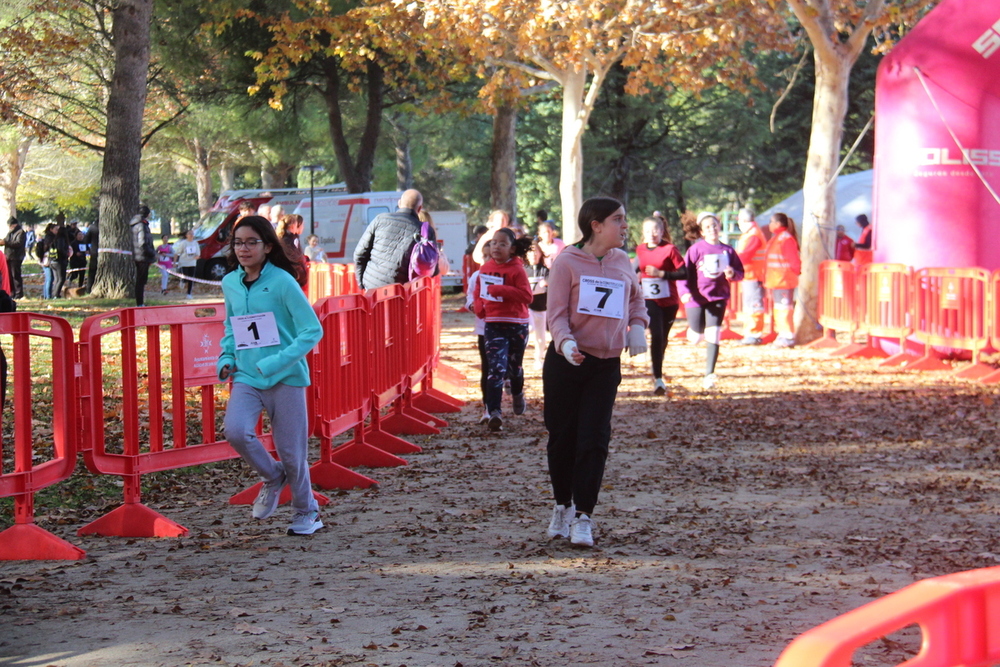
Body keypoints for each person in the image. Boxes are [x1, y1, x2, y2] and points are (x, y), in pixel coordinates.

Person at [544, 197, 648, 548]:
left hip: (605, 365)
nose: (625, 226)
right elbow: (555, 313)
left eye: (624, 219)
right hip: (568, 361)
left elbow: (636, 298)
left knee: (595, 439)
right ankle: (563, 505)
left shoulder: (622, 260)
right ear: (596, 225)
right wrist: (565, 343)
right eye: (618, 219)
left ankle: (584, 516)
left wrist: (637, 326)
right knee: (563, 438)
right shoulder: (567, 262)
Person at [218, 215, 324, 536]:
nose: (244, 249)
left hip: (286, 377)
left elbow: (311, 330)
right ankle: (271, 475)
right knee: (235, 431)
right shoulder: (230, 283)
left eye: (252, 242)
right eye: (238, 242)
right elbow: (231, 325)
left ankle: (307, 512)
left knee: (292, 454)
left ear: (267, 246)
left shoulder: (282, 282)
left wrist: (278, 360)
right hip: (247, 376)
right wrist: (226, 356)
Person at [472, 228, 533, 431]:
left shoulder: (517, 270)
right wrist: (480, 306)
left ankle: (517, 393)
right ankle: (494, 412)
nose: (496, 247)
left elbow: (527, 297)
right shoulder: (485, 268)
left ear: (512, 249)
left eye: (502, 244)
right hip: (494, 324)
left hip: (517, 324)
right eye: (493, 243)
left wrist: (502, 290)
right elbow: (478, 292)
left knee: (514, 369)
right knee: (495, 369)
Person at [678, 212, 744, 390]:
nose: (712, 229)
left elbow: (740, 273)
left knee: (714, 333)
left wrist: (732, 274)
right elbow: (684, 273)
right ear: (702, 231)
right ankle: (695, 332)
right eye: (708, 227)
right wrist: (684, 292)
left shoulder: (728, 250)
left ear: (719, 227)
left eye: (714, 226)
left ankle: (709, 374)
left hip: (718, 296)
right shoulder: (696, 250)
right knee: (697, 336)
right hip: (696, 298)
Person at [635, 215, 686, 395]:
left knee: (663, 338)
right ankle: (658, 378)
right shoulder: (640, 249)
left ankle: (658, 364)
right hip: (650, 300)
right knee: (656, 334)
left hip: (670, 301)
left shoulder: (670, 249)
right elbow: (635, 269)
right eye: (648, 231)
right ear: (643, 233)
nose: (652, 234)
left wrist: (662, 273)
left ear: (662, 231)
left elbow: (683, 273)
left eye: (655, 230)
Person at [353, 189, 436, 290]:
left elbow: (359, 254)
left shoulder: (380, 219)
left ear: (399, 203)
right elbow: (431, 267)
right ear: (419, 209)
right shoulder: (426, 231)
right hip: (401, 292)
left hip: (372, 288)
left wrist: (362, 284)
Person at [763, 212, 801, 348]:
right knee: (780, 309)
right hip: (777, 281)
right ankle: (783, 334)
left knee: (784, 309)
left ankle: (788, 336)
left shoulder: (785, 239)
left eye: (771, 222)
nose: (769, 225)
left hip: (784, 280)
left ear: (778, 224)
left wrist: (797, 272)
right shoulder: (778, 238)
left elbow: (793, 261)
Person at [735, 208, 769, 345]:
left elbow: (745, 256)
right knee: (751, 306)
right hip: (750, 275)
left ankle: (754, 334)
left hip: (754, 275)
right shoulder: (751, 234)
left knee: (754, 306)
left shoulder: (753, 235)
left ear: (743, 220)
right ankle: (751, 333)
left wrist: (732, 262)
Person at [526, 241, 550, 370]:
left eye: (536, 251)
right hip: (527, 307)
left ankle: (538, 358)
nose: (533, 254)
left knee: (540, 338)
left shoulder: (544, 270)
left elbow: (551, 281)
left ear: (540, 253)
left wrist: (546, 282)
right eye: (531, 252)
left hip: (541, 307)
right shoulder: (524, 270)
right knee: (530, 327)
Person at [130, 204, 156, 307]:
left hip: (139, 255)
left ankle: (141, 301)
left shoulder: (137, 224)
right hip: (142, 257)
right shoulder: (141, 225)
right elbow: (143, 243)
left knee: (141, 280)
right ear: (147, 214)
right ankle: (140, 303)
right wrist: (153, 253)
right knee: (141, 281)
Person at [2, 217, 26, 299]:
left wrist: (6, 242)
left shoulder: (20, 232)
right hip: (9, 256)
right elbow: (7, 240)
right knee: (9, 276)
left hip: (16, 257)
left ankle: (18, 293)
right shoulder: (10, 233)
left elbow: (18, 243)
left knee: (15, 275)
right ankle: (12, 292)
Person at [174, 229, 201, 299]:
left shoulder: (195, 243)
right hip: (184, 262)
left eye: (192, 234)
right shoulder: (183, 243)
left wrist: (197, 256)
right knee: (185, 277)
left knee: (191, 278)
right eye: (189, 234)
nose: (191, 235)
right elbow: (177, 253)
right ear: (186, 235)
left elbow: (198, 253)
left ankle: (189, 293)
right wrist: (174, 262)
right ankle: (182, 281)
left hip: (192, 263)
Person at [36, 223, 57, 299]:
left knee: (49, 278)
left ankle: (46, 295)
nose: (57, 231)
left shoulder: (48, 237)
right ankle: (48, 296)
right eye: (56, 229)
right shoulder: (50, 238)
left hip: (45, 260)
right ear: (51, 229)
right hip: (47, 260)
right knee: (49, 278)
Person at [84, 220, 99, 293]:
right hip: (106, 251)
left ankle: (89, 288)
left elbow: (86, 239)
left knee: (92, 271)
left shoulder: (92, 228)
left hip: (94, 251)